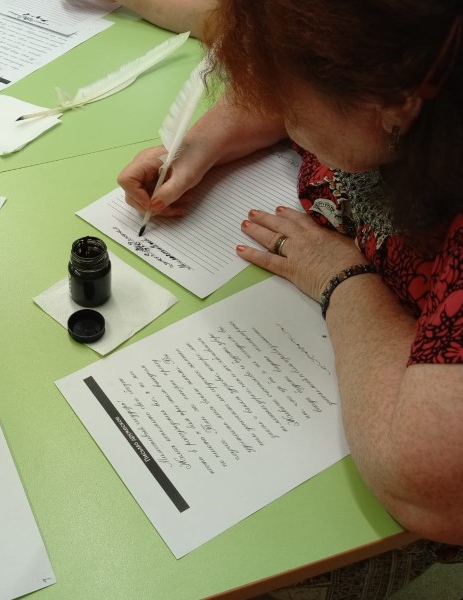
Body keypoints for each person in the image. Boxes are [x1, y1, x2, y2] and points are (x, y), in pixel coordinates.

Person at [116, 1, 463, 598]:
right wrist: (202, 143)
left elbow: (428, 485)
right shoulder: (388, 58)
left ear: (395, 103)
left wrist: (341, 277)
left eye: (293, 106)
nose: (282, 114)